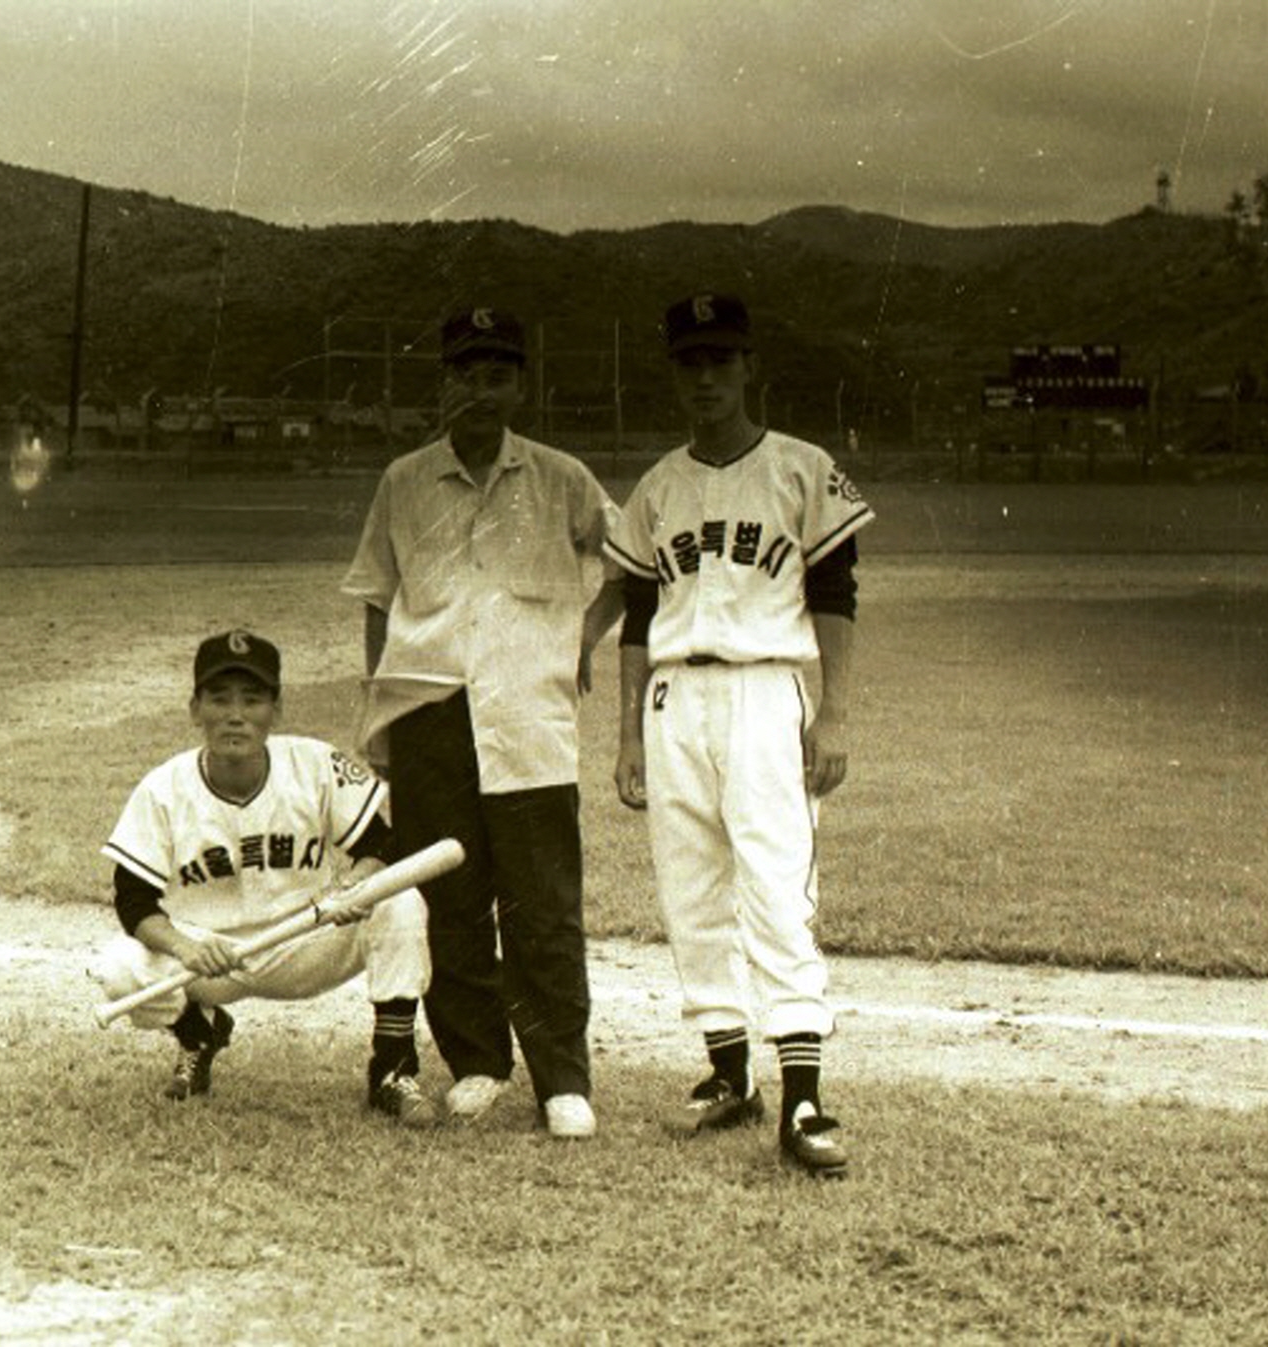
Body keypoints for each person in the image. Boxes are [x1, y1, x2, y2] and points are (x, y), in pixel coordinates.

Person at [607, 293, 873, 1177]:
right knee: (690, 889)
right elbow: (639, 616)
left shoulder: (802, 469)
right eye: (691, 360)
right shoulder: (657, 486)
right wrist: (628, 735)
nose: (707, 375)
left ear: (749, 364)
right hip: (674, 698)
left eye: (722, 358)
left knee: (773, 882)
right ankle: (730, 1073)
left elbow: (835, 596)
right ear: (674, 372)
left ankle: (802, 1092)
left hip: (765, 693)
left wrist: (832, 712)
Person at [341, 306, 622, 1140]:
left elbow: (637, 563)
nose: (481, 390)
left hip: (528, 712)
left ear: (520, 385)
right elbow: (377, 598)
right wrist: (381, 702)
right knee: (448, 895)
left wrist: (581, 640)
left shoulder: (563, 477)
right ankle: (477, 1061)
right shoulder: (404, 479)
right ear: (444, 382)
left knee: (542, 902)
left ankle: (562, 1078)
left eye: (498, 373)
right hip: (429, 708)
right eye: (465, 373)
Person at [92, 629, 437, 1127]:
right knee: (118, 967)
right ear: (195, 709)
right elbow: (133, 901)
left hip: (307, 937)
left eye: (252, 700)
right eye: (219, 699)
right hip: (213, 956)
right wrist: (186, 948)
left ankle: (392, 1069)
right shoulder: (163, 789)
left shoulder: (314, 765)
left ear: (277, 710)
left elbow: (382, 845)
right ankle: (198, 1036)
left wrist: (355, 885)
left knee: (399, 900)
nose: (235, 715)